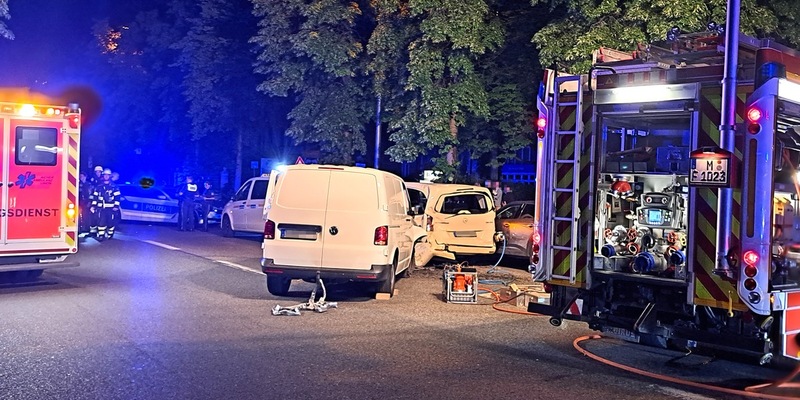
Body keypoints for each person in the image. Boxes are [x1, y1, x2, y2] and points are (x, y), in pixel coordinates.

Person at [91, 168, 121, 241]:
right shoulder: (99, 186)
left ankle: (110, 234)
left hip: (111, 208)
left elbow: (117, 197)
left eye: (108, 175)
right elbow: (95, 197)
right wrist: (93, 206)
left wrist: (116, 206)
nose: (106, 176)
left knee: (110, 222)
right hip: (101, 208)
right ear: (103, 176)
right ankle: (101, 235)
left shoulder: (114, 187)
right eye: (105, 175)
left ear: (110, 176)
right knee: (101, 222)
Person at [88, 165, 103, 236]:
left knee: (100, 217)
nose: (98, 173)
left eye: (99, 172)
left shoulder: (102, 180)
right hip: (93, 201)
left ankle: (99, 231)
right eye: (97, 172)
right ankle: (92, 232)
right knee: (92, 216)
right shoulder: (92, 180)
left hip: (100, 202)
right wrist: (90, 201)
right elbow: (90, 191)